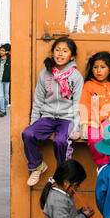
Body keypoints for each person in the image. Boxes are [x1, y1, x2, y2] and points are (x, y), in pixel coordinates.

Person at [21, 37, 83, 186]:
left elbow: (77, 104)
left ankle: (62, 174)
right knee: (27, 133)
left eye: (65, 51)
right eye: (57, 50)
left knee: (60, 141)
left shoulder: (76, 76)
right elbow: (38, 101)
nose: (60, 54)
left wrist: (76, 127)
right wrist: (34, 124)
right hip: (48, 117)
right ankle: (38, 166)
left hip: (67, 118)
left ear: (72, 56)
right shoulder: (45, 74)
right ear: (52, 53)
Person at [79, 51, 110, 166]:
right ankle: (102, 165)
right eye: (95, 67)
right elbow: (84, 104)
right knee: (94, 140)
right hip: (93, 121)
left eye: (102, 67)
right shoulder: (89, 85)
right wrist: (84, 124)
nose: (98, 71)